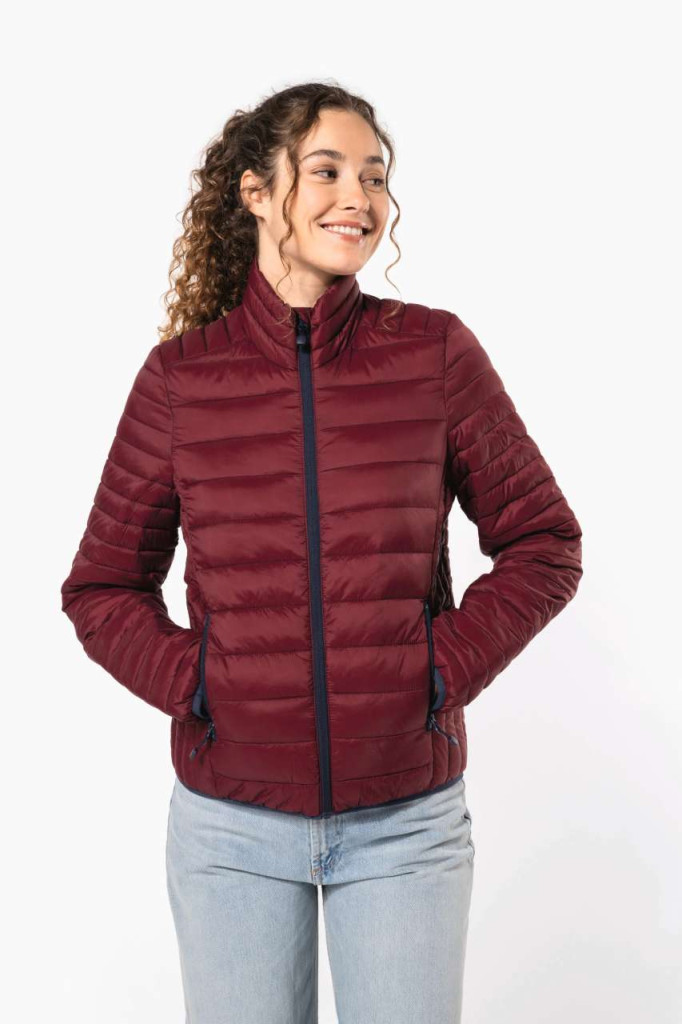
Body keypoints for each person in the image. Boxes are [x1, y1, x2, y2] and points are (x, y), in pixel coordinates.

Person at [60, 81, 583, 1024]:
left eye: (375, 177)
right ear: (258, 192)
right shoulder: (181, 382)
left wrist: (435, 670)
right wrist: (203, 683)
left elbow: (544, 542)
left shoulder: (434, 354)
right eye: (328, 171)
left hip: (405, 823)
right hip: (231, 830)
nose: (360, 198)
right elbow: (102, 587)